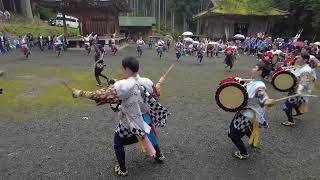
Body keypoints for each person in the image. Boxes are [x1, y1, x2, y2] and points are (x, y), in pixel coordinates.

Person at [71, 57, 169, 176]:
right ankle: (158, 155)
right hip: (145, 118)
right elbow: (156, 93)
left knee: (118, 142)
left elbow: (101, 95)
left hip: (130, 121)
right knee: (149, 133)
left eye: (122, 67)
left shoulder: (121, 85)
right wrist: (158, 84)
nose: (121, 69)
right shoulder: (146, 81)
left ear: (126, 68)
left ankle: (122, 169)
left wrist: (81, 93)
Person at [228, 62, 275, 160]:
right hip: (246, 112)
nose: (253, 69)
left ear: (260, 72)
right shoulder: (254, 81)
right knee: (245, 129)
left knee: (233, 135)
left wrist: (266, 99)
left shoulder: (259, 84)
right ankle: (254, 141)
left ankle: (244, 153)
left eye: (255, 67)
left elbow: (261, 92)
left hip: (246, 115)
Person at [282, 53, 314, 126]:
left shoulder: (306, 70)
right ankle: (299, 111)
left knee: (286, 106)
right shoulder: (300, 66)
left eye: (299, 58)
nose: (297, 59)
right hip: (294, 89)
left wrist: (297, 92)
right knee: (293, 103)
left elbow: (304, 83)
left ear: (305, 60)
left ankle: (290, 121)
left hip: (298, 91)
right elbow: (296, 75)